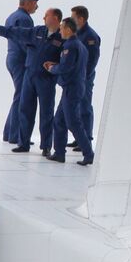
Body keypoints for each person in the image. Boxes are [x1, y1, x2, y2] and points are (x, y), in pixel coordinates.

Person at [0, 7, 65, 156]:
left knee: (46, 113)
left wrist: (56, 71)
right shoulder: (37, 32)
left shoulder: (62, 37)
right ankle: (23, 143)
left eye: (46, 16)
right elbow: (15, 32)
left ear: (55, 18)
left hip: (46, 79)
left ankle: (46, 146)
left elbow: (66, 59)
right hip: (30, 76)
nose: (43, 18)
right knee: (25, 110)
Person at [0, 0, 39, 144]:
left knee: (19, 96)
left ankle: (9, 133)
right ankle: (16, 135)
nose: (36, 7)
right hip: (21, 60)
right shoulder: (24, 19)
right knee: (22, 97)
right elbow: (25, 42)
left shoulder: (13, 16)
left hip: (12, 58)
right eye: (35, 4)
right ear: (30, 3)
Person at [45, 17, 93, 165]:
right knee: (59, 121)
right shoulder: (78, 45)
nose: (59, 30)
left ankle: (88, 153)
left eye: (61, 28)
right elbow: (72, 64)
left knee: (73, 123)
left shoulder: (70, 46)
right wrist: (57, 64)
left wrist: (52, 68)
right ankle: (59, 153)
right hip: (72, 87)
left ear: (68, 29)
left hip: (72, 89)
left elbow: (66, 67)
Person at [67, 5, 101, 152]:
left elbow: (93, 60)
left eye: (73, 17)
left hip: (84, 78)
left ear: (81, 19)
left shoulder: (90, 36)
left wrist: (83, 77)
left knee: (85, 107)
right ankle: (79, 138)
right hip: (77, 77)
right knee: (78, 107)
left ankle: (86, 138)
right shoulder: (76, 33)